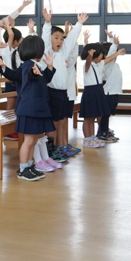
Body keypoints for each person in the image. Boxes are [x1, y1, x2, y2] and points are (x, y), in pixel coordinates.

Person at [0, 35, 54, 181]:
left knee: (33, 140)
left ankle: (29, 165)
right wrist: (3, 67)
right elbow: (28, 75)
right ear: (38, 51)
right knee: (29, 140)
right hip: (29, 109)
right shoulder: (29, 66)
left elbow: (44, 78)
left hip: (35, 108)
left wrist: (50, 67)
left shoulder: (33, 65)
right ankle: (23, 169)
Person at [42, 10, 87, 160]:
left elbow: (71, 40)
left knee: (61, 121)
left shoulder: (62, 54)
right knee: (53, 123)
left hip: (62, 93)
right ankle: (51, 150)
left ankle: (59, 147)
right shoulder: (48, 52)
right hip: (52, 92)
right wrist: (47, 23)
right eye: (56, 37)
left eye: (61, 38)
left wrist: (79, 24)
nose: (60, 41)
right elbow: (45, 39)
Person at [79, 39, 110, 148]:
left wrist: (117, 52)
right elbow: (88, 62)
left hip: (98, 90)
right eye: (101, 54)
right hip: (90, 92)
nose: (102, 56)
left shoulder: (98, 64)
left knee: (94, 116)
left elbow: (109, 59)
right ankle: (87, 139)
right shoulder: (87, 65)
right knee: (88, 118)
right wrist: (89, 56)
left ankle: (92, 137)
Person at [97, 34, 126, 143]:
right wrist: (114, 44)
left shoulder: (114, 64)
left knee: (108, 114)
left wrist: (111, 41)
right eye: (114, 53)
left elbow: (109, 53)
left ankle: (105, 130)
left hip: (114, 92)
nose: (116, 55)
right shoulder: (106, 65)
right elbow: (109, 53)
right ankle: (103, 133)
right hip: (108, 93)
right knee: (105, 114)